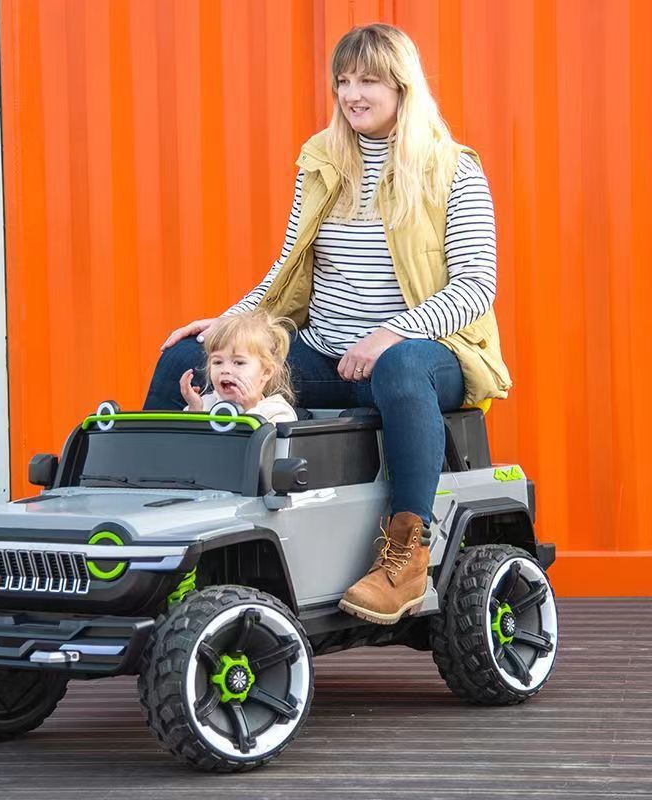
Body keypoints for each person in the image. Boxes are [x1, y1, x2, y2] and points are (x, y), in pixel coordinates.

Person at [145, 23, 511, 624]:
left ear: (402, 86)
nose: (352, 94)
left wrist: (392, 333)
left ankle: (406, 558)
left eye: (368, 80)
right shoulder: (322, 163)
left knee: (399, 366)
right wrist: (233, 322)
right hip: (323, 352)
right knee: (185, 356)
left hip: (426, 358)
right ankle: (160, 525)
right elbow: (288, 269)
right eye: (343, 81)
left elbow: (476, 285)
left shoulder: (454, 170)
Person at [179, 311, 298, 424]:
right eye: (217, 362)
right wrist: (195, 409)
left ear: (266, 372)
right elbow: (189, 442)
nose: (225, 370)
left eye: (239, 363)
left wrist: (250, 408)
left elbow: (266, 442)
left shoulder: (277, 411)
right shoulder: (206, 404)